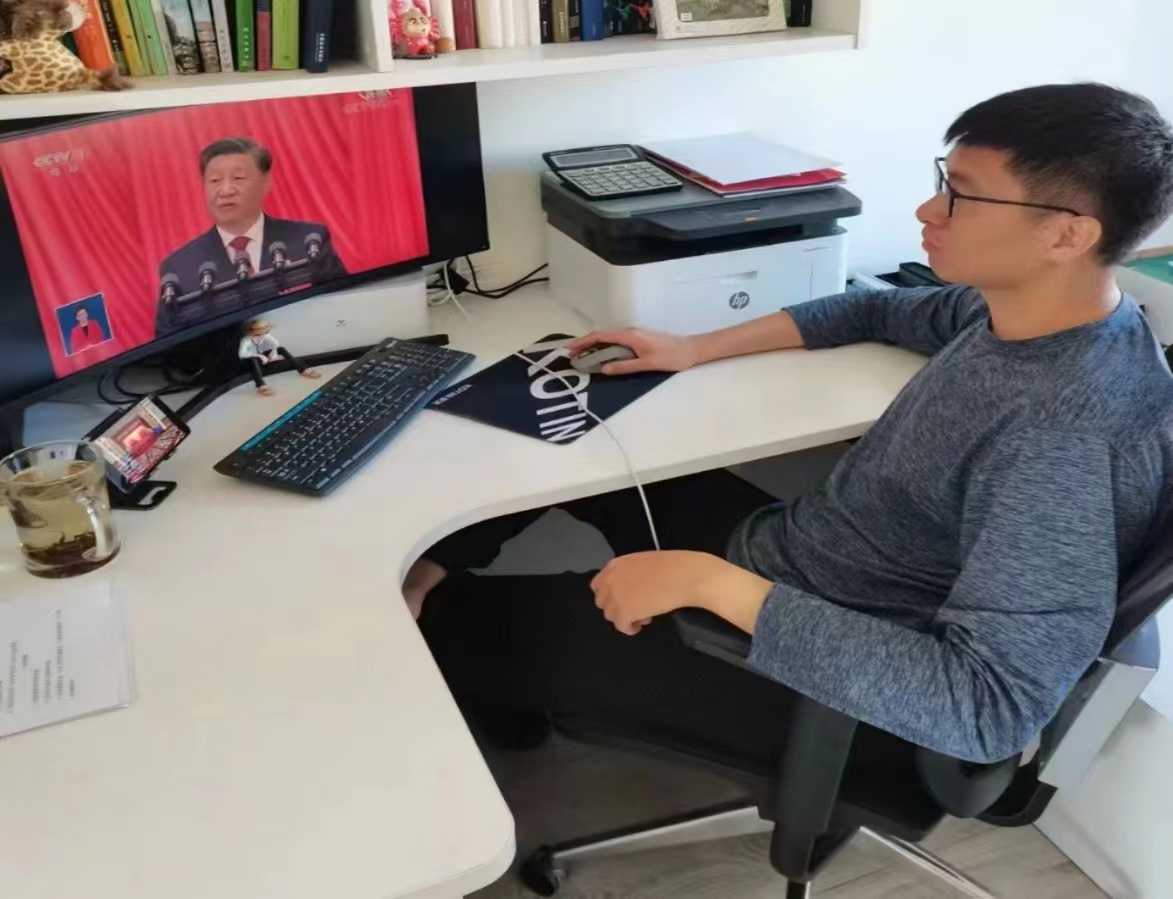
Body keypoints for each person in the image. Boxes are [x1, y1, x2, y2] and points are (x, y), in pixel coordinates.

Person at [412, 83, 1173, 766]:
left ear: (1066, 235)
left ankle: (480, 658)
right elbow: (870, 308)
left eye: (961, 197)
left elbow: (987, 710)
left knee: (436, 623)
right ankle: (447, 590)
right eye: (942, 183)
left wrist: (710, 585)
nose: (927, 210)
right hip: (792, 561)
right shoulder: (1029, 311)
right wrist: (691, 348)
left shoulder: (1062, 444)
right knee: (577, 441)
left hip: (811, 673)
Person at [154, 137, 349, 338]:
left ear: (266, 183)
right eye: (214, 181)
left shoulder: (309, 240)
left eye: (238, 178)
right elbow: (169, 345)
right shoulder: (179, 267)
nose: (226, 190)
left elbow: (343, 309)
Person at [238, 318, 321, 397]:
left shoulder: (265, 335)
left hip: (263, 358)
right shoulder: (246, 340)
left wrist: (273, 353)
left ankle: (302, 370)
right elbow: (242, 354)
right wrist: (260, 356)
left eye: (265, 332)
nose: (262, 335)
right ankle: (261, 385)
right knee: (253, 359)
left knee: (281, 349)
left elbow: (275, 343)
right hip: (251, 360)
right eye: (258, 334)